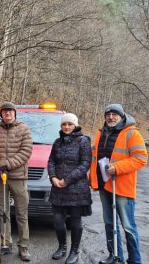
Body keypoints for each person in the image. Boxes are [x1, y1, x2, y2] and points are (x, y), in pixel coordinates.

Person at [89, 104, 148, 264]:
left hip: (122, 187)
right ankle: (115, 256)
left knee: (128, 226)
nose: (111, 117)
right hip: (104, 185)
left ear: (122, 116)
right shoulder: (100, 134)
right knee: (109, 223)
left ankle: (135, 260)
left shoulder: (132, 134)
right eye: (108, 114)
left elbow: (141, 158)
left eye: (114, 114)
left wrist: (117, 167)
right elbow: (94, 158)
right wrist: (92, 179)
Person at [0, 102, 33, 262]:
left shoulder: (24, 129)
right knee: (3, 211)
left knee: (21, 213)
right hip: (0, 177)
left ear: (15, 113)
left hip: (18, 177)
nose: (7, 113)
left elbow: (26, 151)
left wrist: (8, 163)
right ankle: (6, 244)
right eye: (4, 111)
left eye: (10, 111)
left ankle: (23, 245)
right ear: (1, 114)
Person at [48, 113, 92, 264]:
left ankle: (74, 251)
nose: (67, 127)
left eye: (70, 124)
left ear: (75, 125)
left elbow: (85, 164)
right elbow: (51, 161)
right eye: (64, 124)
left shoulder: (83, 141)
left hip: (77, 188)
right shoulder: (57, 142)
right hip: (58, 187)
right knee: (58, 220)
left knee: (75, 222)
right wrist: (53, 177)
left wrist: (67, 180)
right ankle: (62, 247)